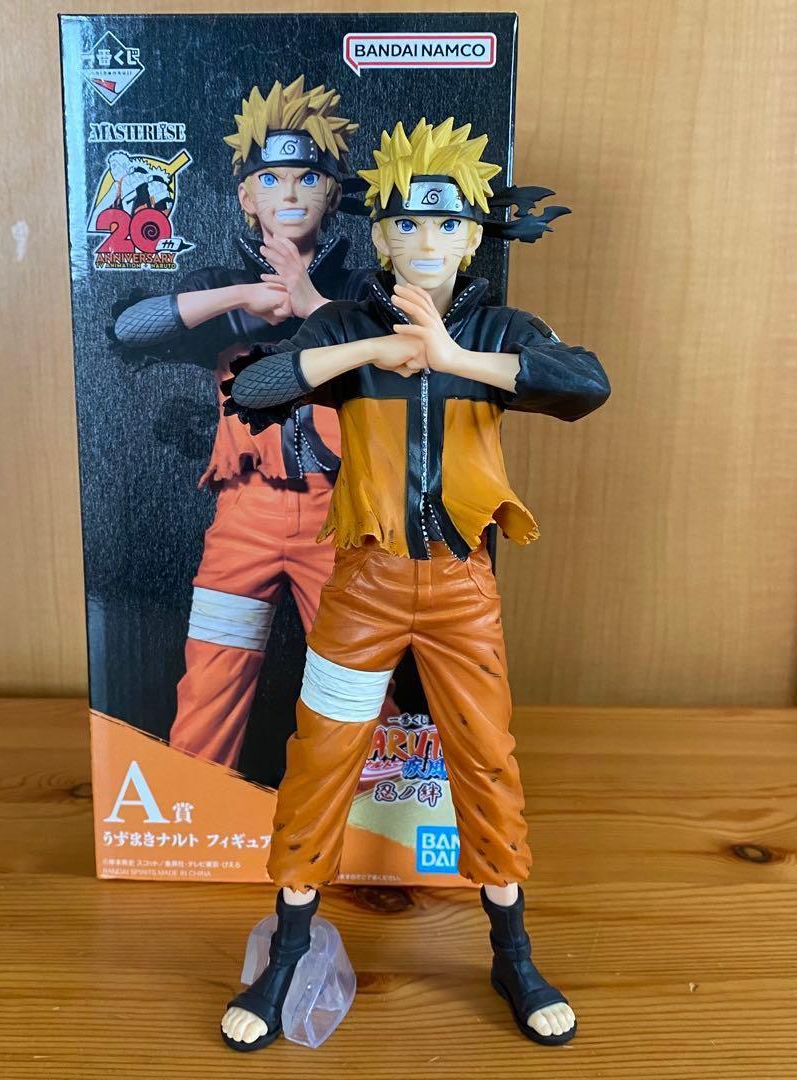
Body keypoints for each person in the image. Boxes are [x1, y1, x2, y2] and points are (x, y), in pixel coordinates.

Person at [218, 117, 610, 1051]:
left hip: (461, 589)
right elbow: (255, 389)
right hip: (363, 585)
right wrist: (368, 354)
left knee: (485, 756)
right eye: (406, 224)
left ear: (473, 238)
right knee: (322, 757)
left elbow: (585, 383)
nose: (426, 241)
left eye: (447, 225)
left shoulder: (498, 330)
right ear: (382, 236)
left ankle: (512, 952)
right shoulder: (346, 325)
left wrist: (455, 360)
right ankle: (287, 955)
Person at [110, 76, 385, 770]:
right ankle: (196, 808)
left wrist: (312, 303)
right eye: (270, 179)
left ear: (332, 194)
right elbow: (130, 329)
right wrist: (240, 295)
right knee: (211, 682)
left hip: (341, 516)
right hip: (246, 514)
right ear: (245, 196)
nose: (289, 194)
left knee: (357, 688)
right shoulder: (219, 285)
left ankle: (366, 819)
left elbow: (403, 362)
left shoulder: (363, 288)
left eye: (307, 179)